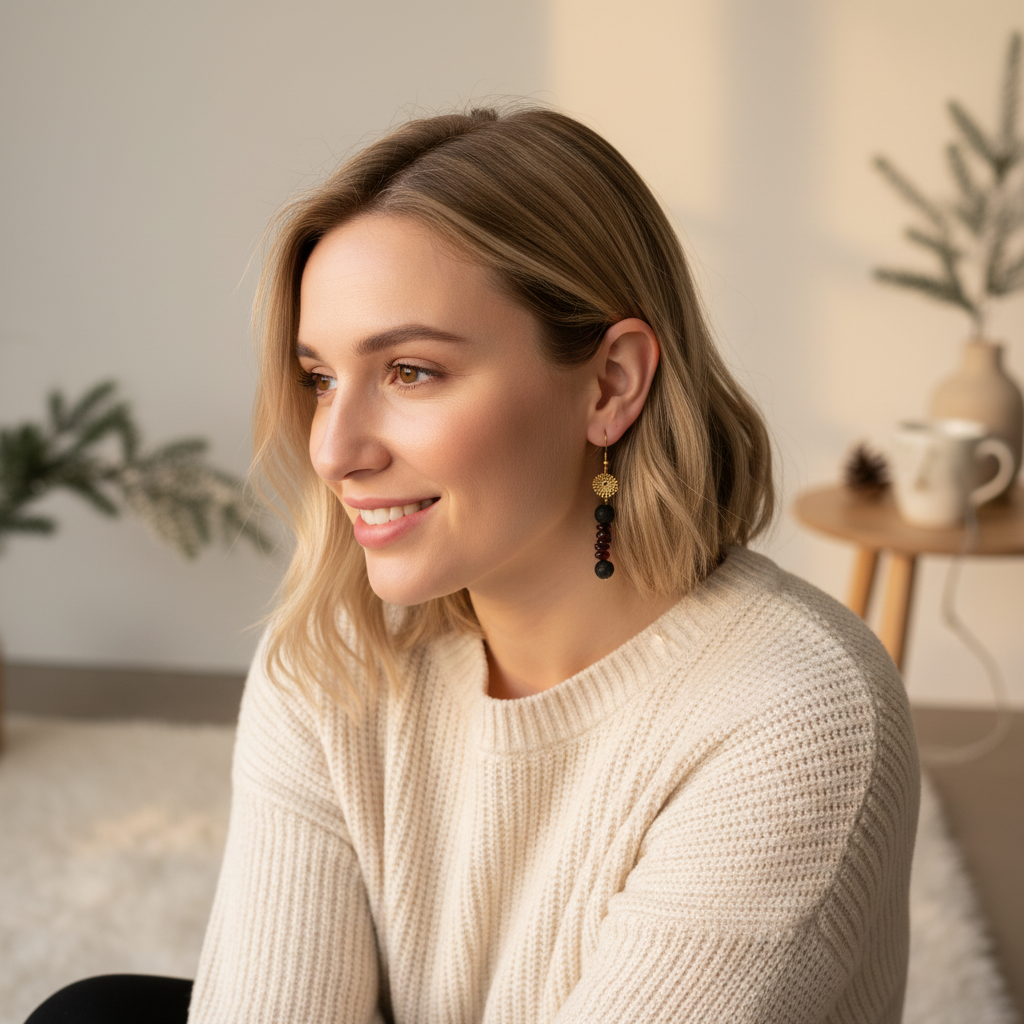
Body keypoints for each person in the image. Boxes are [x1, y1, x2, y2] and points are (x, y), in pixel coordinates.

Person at [26, 105, 919, 1024]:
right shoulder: (337, 650)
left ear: (611, 383)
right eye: (319, 378)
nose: (334, 450)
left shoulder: (795, 718)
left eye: (411, 371)